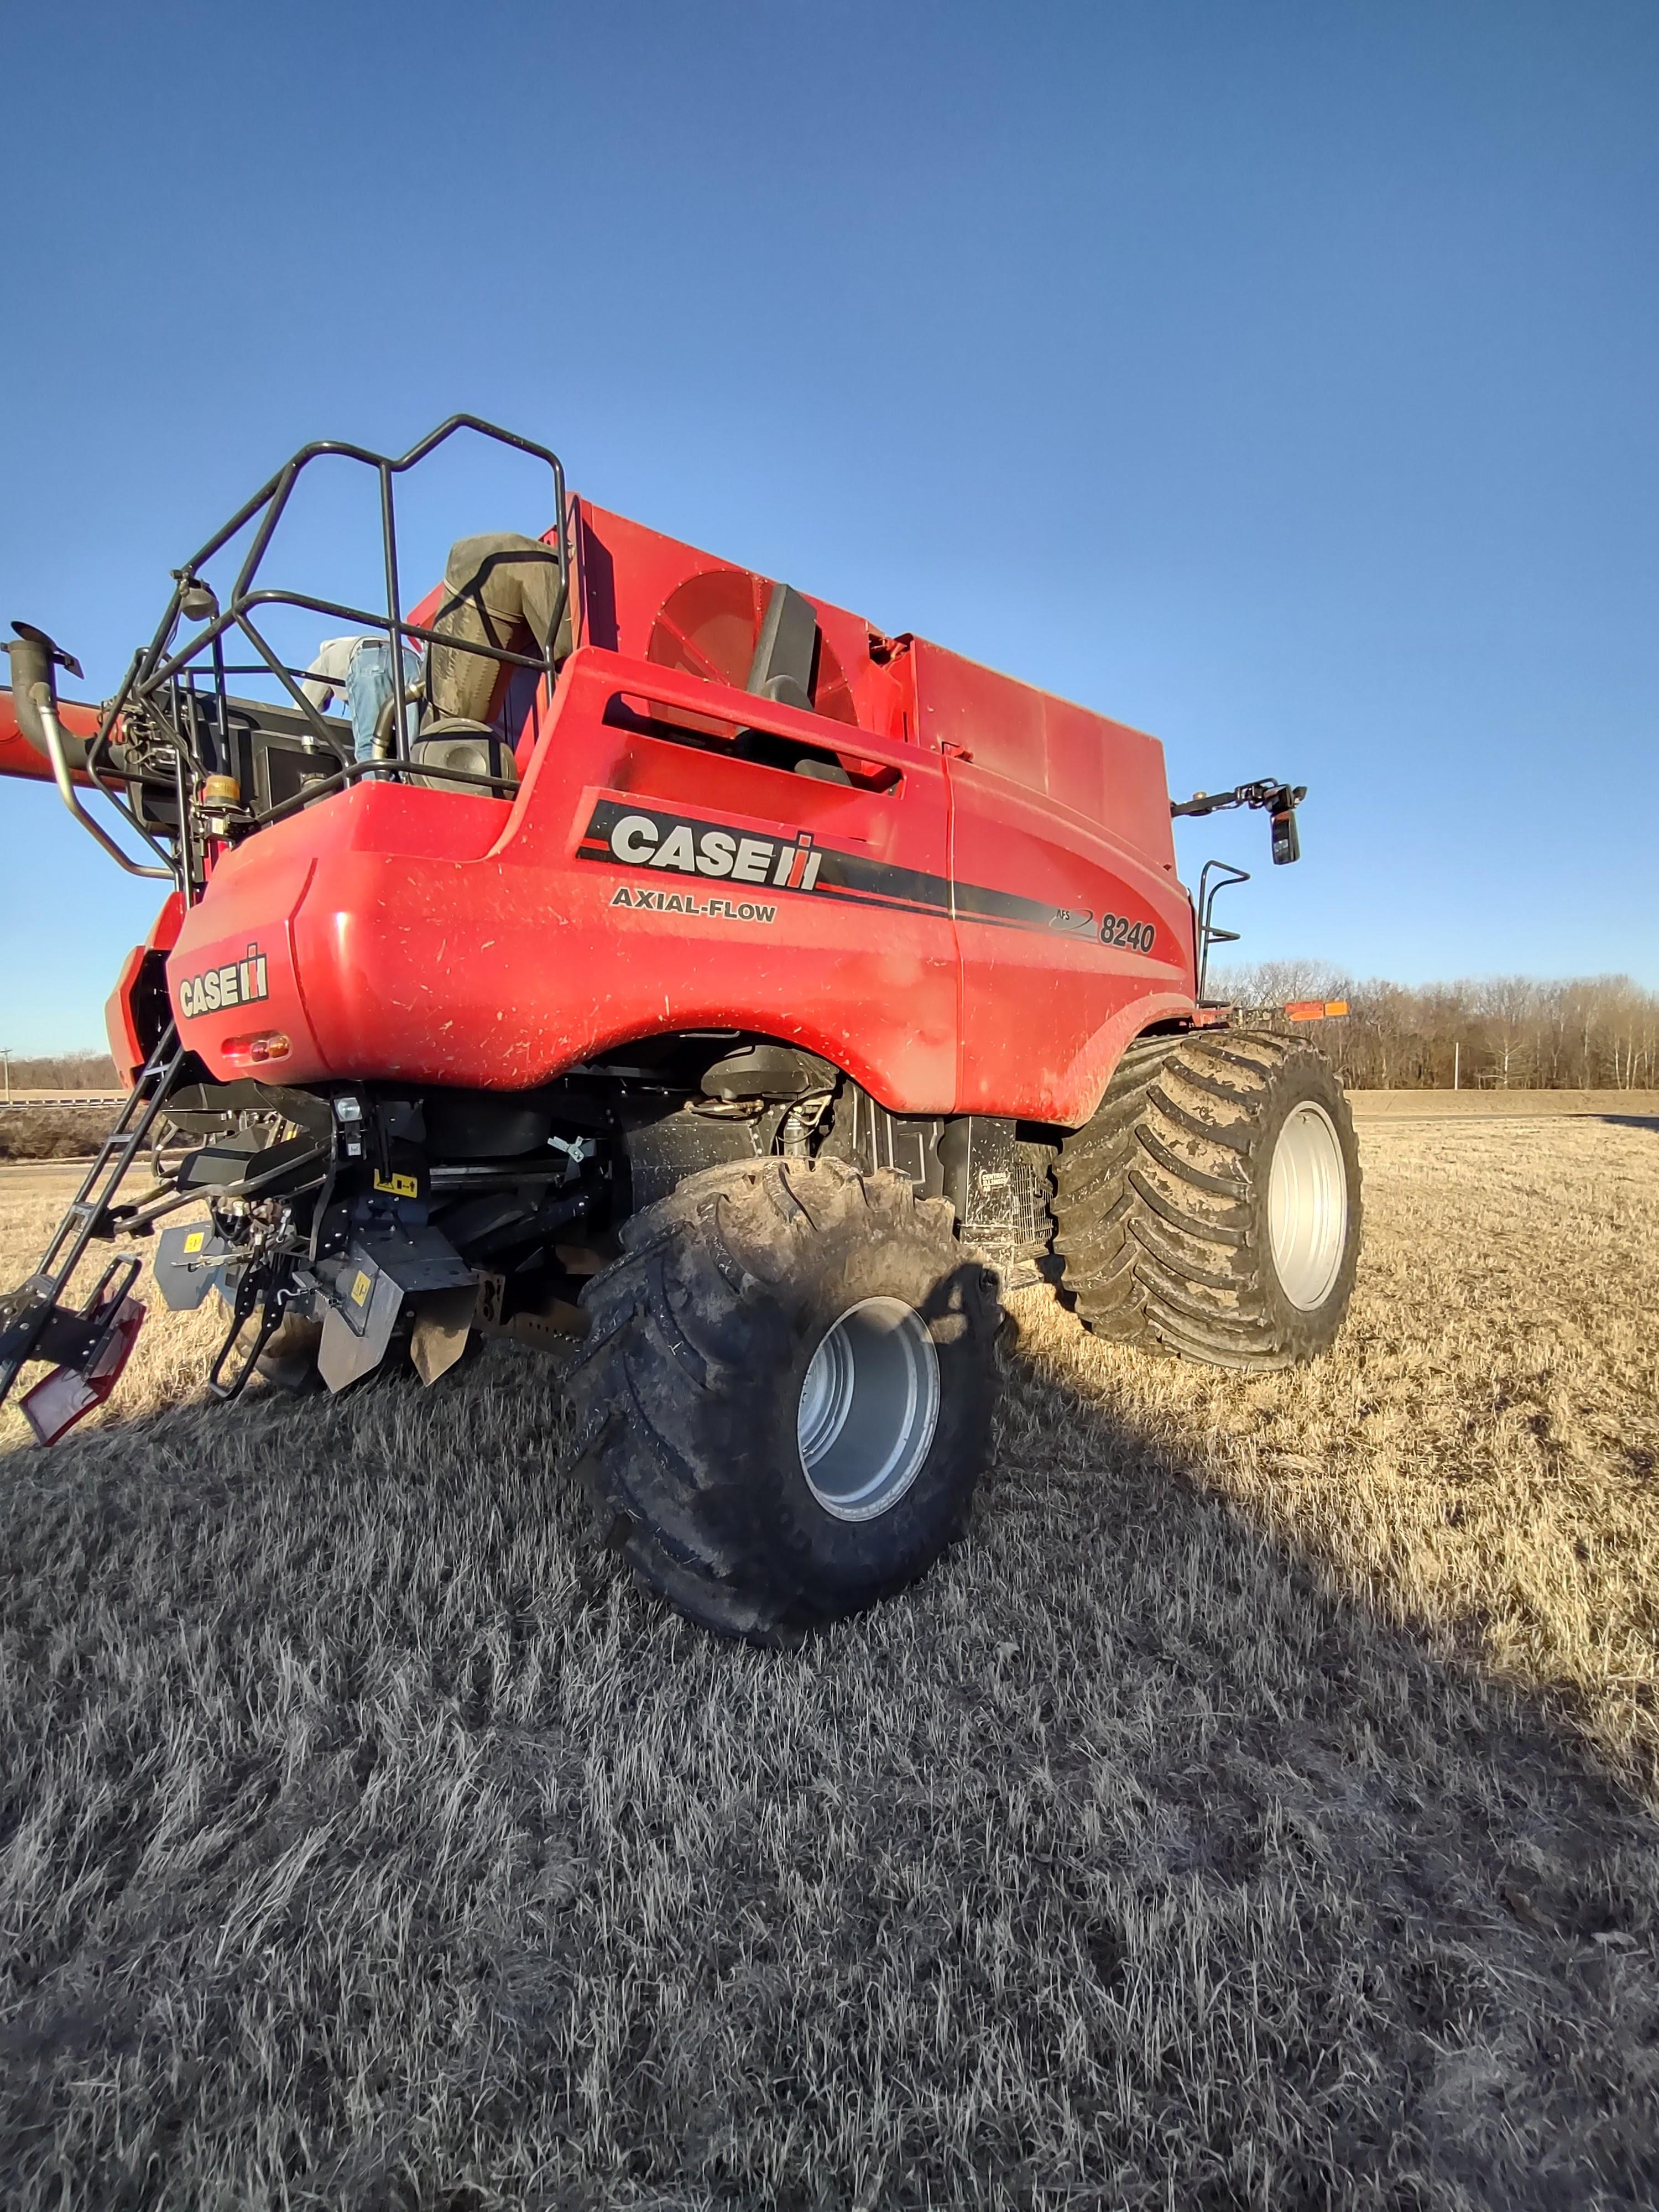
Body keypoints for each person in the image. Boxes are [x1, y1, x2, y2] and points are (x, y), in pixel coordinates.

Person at [425, 531, 571, 727]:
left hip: (456, 724)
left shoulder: (485, 555)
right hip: (463, 726)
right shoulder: (529, 561)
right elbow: (565, 650)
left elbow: (563, 648)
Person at [302, 634, 423, 763]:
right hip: (412, 662)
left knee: (369, 748)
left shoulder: (327, 656)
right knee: (415, 748)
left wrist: (305, 742)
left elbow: (305, 706)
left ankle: (377, 782)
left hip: (372, 658)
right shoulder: (355, 643)